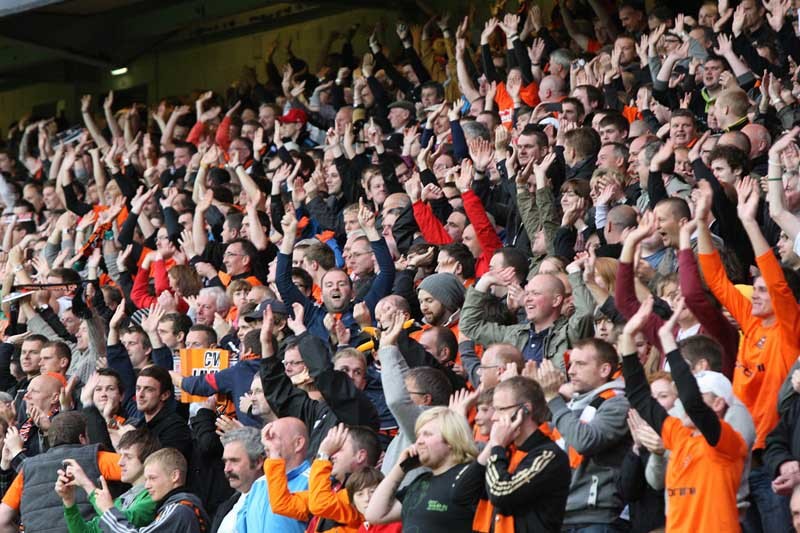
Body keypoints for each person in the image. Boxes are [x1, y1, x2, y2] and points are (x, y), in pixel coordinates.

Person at [620, 296, 748, 532]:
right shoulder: (679, 436)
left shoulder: (727, 442)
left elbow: (693, 404)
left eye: (700, 394)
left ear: (719, 403)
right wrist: (627, 338)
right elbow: (639, 396)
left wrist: (669, 342)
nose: (683, 401)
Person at [473, 376, 570, 532]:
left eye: (500, 409)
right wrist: (493, 445)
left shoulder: (548, 455)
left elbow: (501, 492)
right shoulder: (507, 449)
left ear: (525, 409)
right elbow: (462, 492)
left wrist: (497, 446)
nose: (494, 417)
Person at [0, 411, 124, 533]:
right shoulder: (97, 458)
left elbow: (2, 521)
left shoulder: (27, 469)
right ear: (82, 438)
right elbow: (138, 468)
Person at [364, 406, 484, 532]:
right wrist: (400, 468)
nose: (418, 442)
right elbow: (374, 514)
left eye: (427, 434)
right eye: (418, 436)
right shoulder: (421, 482)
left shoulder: (470, 475)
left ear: (450, 439)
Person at [58, 427, 161, 533]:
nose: (120, 462)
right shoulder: (120, 500)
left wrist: (87, 485)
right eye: (120, 456)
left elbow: (122, 522)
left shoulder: (153, 496)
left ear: (147, 460)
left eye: (128, 457)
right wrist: (69, 501)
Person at [95, 447, 210, 532]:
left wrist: (108, 510)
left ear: (174, 476)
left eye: (152, 478)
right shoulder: (180, 507)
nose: (147, 486)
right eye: (146, 479)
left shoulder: (179, 510)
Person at [211, 427, 265, 533]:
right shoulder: (227, 505)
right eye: (225, 462)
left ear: (258, 462)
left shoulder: (270, 502)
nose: (227, 469)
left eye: (234, 461)